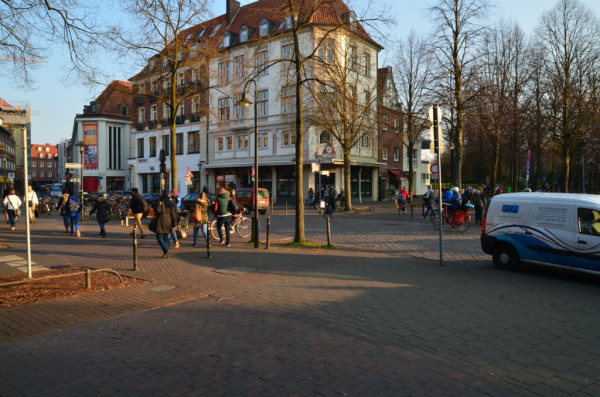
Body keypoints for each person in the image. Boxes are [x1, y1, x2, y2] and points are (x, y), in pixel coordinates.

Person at [152, 190, 179, 258]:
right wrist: (174, 223)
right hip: (169, 221)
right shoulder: (172, 202)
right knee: (166, 237)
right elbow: (175, 213)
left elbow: (158, 210)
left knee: (159, 236)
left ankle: (165, 250)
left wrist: (158, 205)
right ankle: (166, 252)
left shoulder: (161, 201)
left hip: (161, 220)